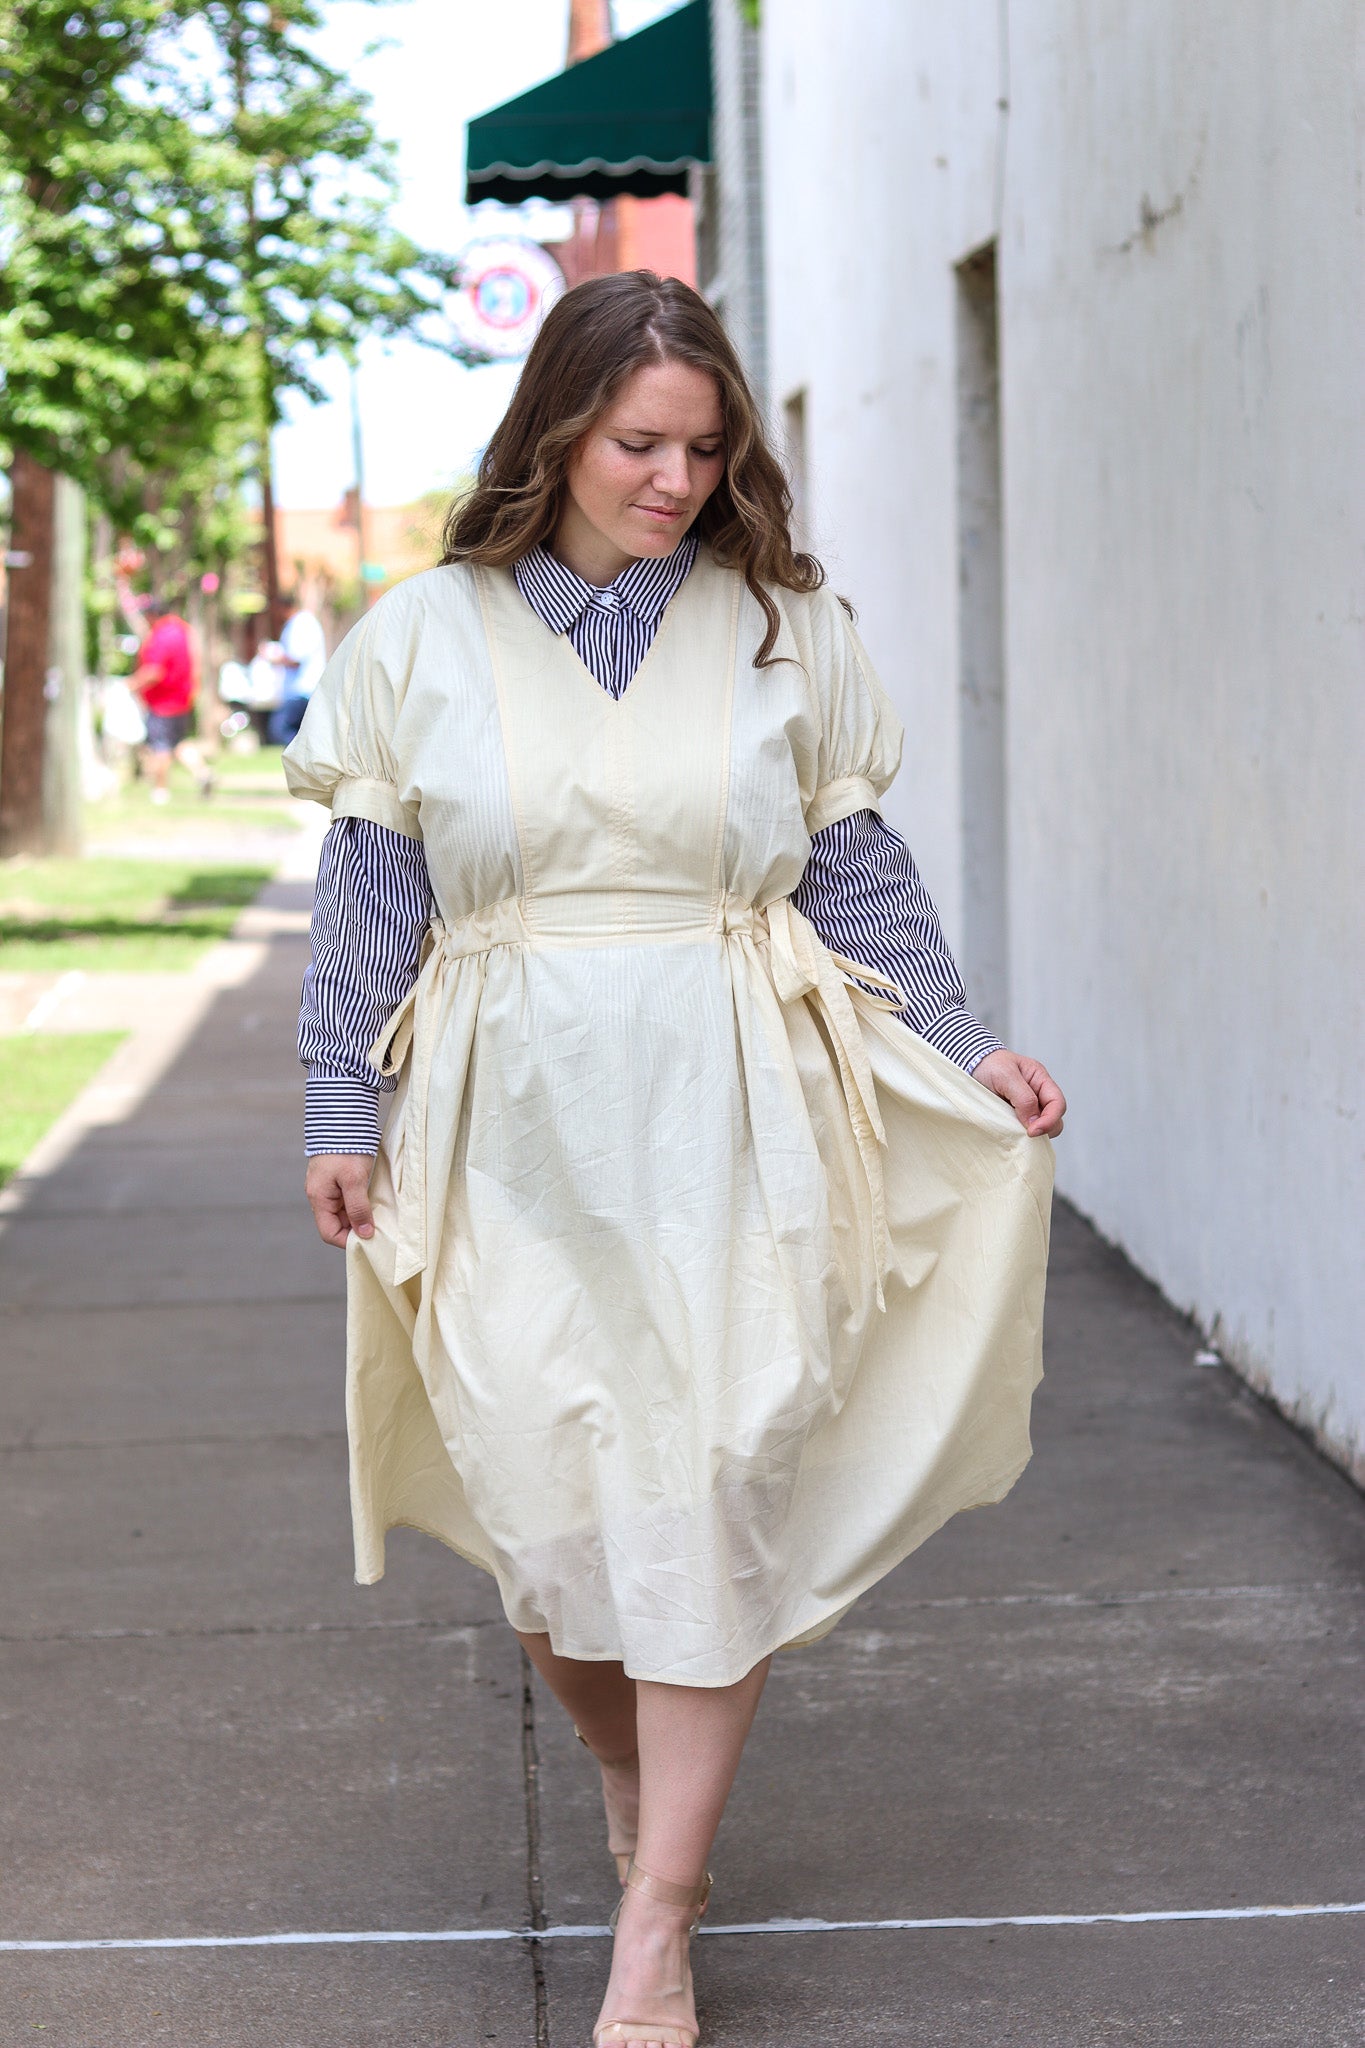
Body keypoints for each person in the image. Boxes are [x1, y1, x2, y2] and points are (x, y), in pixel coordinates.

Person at [284, 272, 1064, 2048]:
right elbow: (368, 898)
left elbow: (857, 871)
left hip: (732, 1100)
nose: (675, 478)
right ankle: (634, 1757)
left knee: (710, 1482)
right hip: (507, 1114)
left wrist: (968, 1041)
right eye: (640, 441)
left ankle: (662, 1913)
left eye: (706, 449)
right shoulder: (420, 635)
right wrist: (343, 1103)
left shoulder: (785, 625)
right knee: (540, 1505)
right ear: (556, 428)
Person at [131, 598, 211, 801]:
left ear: (151, 615)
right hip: (183, 699)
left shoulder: (161, 636)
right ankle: (204, 774)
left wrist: (131, 685)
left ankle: (160, 791)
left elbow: (154, 671)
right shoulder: (183, 631)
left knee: (161, 746)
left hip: (163, 702)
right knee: (178, 743)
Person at [266, 592, 327, 746]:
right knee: (302, 731)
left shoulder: (300, 624)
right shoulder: (302, 622)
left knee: (280, 728)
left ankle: (302, 755)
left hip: (302, 689)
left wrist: (273, 658)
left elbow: (295, 659)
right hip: (306, 689)